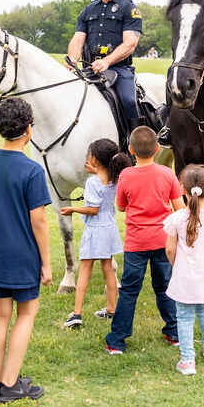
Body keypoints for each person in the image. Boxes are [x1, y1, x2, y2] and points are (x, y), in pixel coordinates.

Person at [0, 97, 52, 403]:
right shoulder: (32, 171)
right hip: (23, 257)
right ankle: (9, 384)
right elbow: (39, 223)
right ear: (28, 130)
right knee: (27, 313)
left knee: (0, 315)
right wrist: (46, 264)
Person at [105, 126, 185, 354]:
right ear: (158, 148)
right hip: (163, 240)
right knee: (164, 287)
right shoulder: (167, 174)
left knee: (129, 290)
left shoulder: (126, 175)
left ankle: (117, 340)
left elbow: (120, 206)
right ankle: (174, 332)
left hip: (136, 243)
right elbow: (179, 207)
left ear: (130, 150)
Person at [66, 0, 145, 132]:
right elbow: (77, 39)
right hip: (90, 68)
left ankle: (135, 147)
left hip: (119, 70)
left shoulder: (129, 9)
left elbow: (130, 44)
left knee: (130, 101)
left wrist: (106, 61)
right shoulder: (88, 10)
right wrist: (72, 59)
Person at [163, 164, 204, 375]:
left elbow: (169, 248)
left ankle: (188, 360)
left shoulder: (175, 219)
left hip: (184, 276)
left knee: (183, 316)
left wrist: (175, 265)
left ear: (182, 189)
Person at [59, 138, 132, 327]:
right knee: (108, 269)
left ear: (94, 158)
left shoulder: (92, 183)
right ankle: (112, 309)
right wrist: (96, 171)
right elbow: (104, 182)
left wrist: (72, 210)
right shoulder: (115, 178)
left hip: (95, 231)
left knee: (84, 271)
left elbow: (93, 209)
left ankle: (76, 313)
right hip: (109, 229)